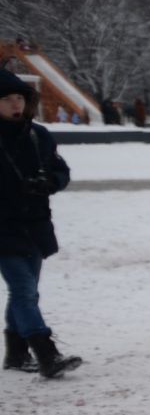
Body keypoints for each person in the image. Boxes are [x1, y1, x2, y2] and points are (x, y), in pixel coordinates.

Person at [0, 69, 83, 378]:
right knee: (23, 289)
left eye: (19, 98)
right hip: (4, 227)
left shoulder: (38, 136)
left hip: (34, 225)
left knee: (26, 291)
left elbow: (61, 171)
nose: (14, 104)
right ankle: (46, 353)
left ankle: (16, 354)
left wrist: (48, 181)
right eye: (6, 99)